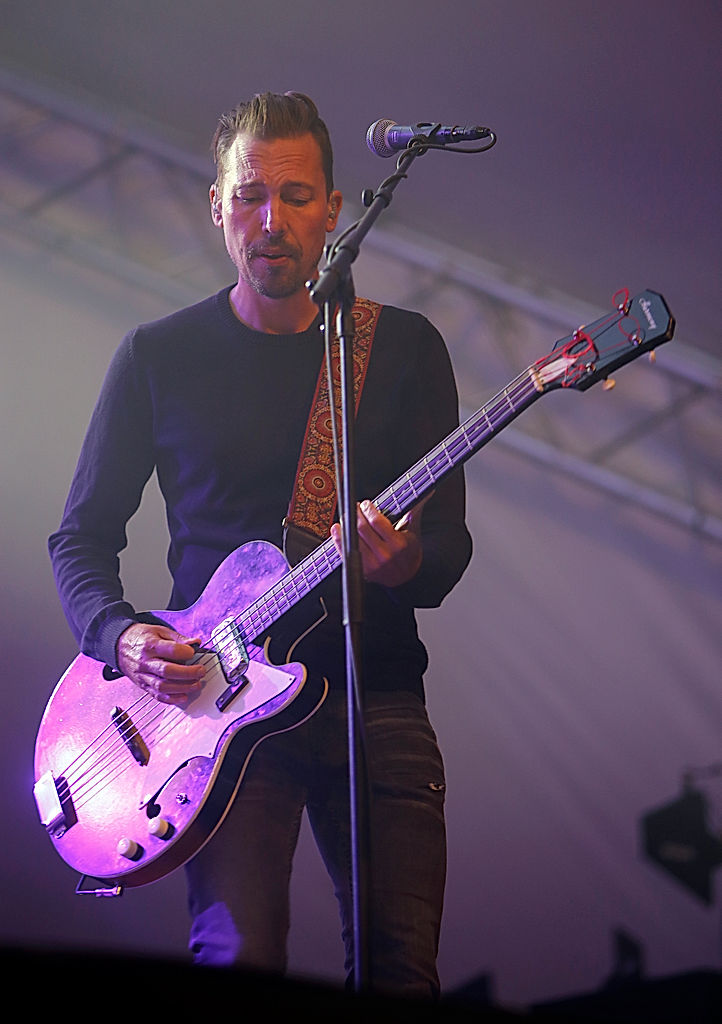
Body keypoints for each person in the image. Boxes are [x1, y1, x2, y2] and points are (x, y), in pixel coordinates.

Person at [49, 91, 472, 999]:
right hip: (215, 718)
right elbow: (79, 541)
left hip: (376, 697)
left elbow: (450, 546)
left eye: (294, 195)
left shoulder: (399, 349)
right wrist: (122, 637)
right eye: (249, 196)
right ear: (216, 206)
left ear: (332, 208)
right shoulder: (157, 357)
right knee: (240, 962)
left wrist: (406, 565)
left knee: (403, 974)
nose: (270, 220)